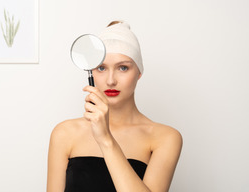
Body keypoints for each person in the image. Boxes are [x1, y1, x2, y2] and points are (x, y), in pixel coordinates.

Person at [47, 21, 183, 192]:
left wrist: (105, 139)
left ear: (139, 73)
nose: (111, 80)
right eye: (101, 68)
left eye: (123, 68)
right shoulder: (64, 133)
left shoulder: (165, 138)